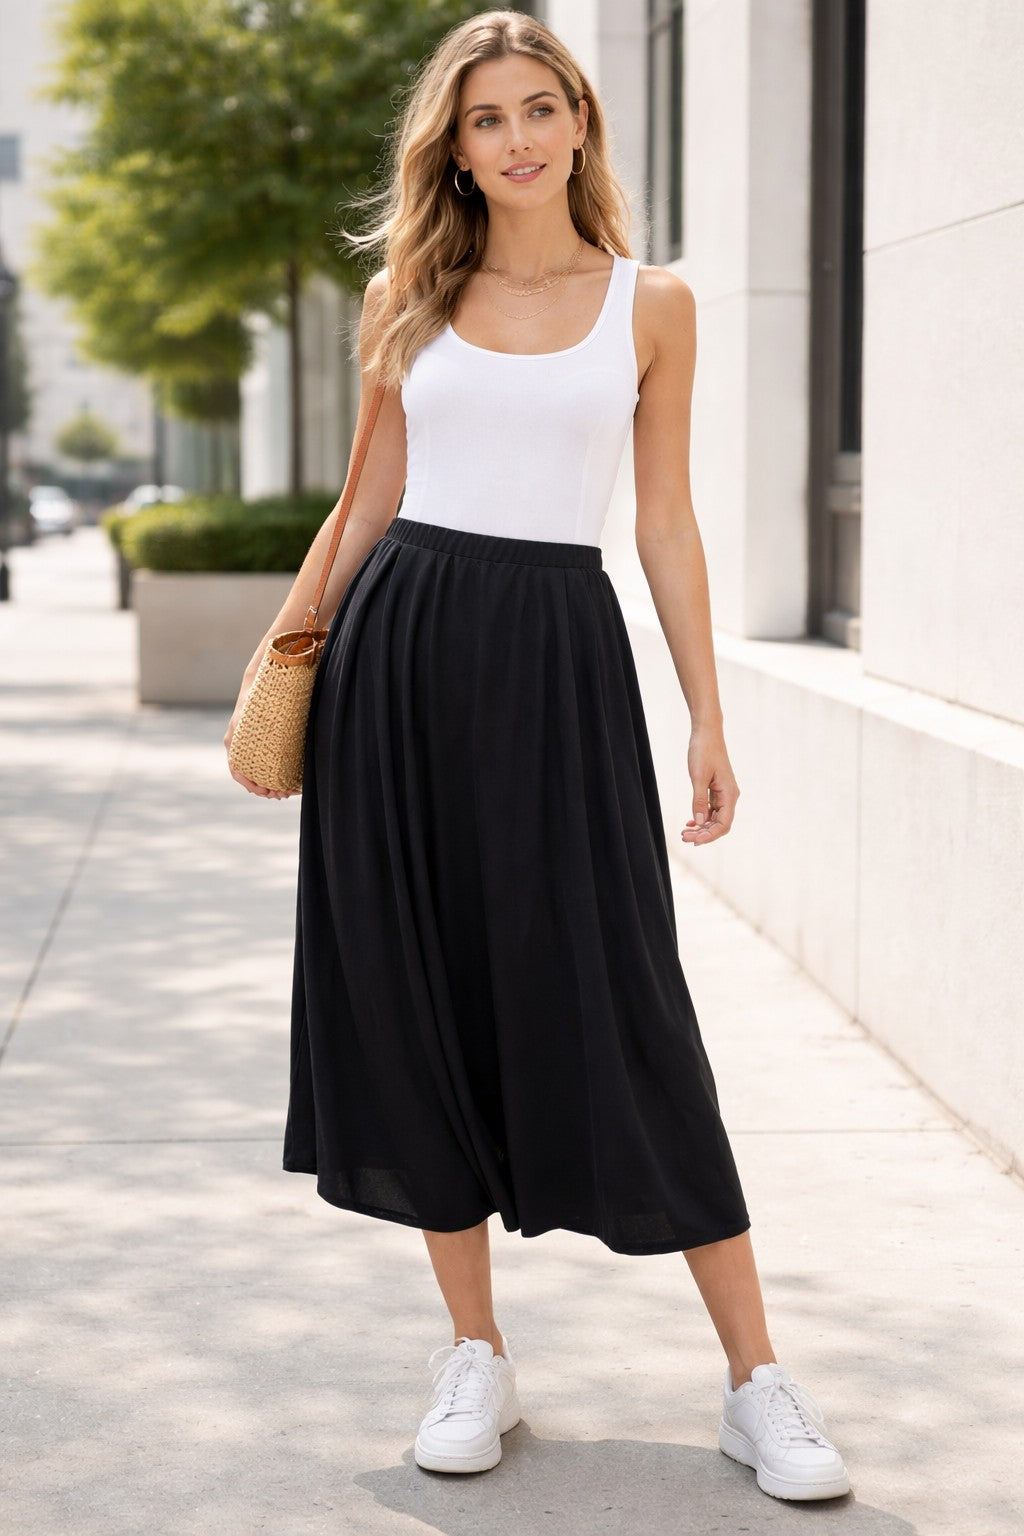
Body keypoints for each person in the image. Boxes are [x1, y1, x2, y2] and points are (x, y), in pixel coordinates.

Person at [225, 8, 851, 1506]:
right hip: (399, 665)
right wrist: (286, 661)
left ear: (580, 123)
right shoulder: (408, 294)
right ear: (454, 144)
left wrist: (707, 715)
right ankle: (475, 1351)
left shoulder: (653, 303)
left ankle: (756, 1381)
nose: (515, 139)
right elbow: (369, 501)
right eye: (485, 117)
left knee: (627, 999)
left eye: (538, 109)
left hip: (562, 663)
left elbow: (666, 523)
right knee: (419, 996)